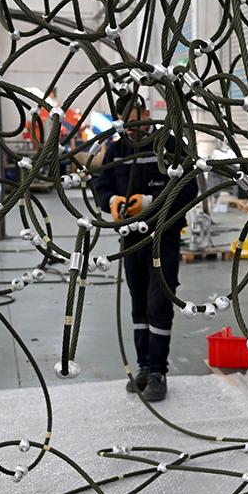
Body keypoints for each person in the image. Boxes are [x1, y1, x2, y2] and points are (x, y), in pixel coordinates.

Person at [93, 92, 198, 402]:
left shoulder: (170, 146)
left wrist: (151, 202)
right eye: (125, 120)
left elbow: (189, 189)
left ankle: (157, 372)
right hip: (131, 240)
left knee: (158, 304)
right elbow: (101, 186)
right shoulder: (116, 150)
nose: (132, 126)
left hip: (163, 238)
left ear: (146, 113)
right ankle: (143, 367)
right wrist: (112, 201)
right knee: (138, 304)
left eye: (136, 118)